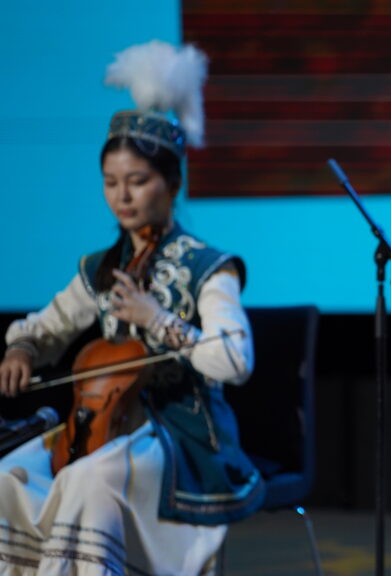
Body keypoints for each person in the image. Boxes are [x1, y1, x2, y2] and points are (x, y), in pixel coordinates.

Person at [0, 40, 263, 575]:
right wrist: (23, 348)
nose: (123, 196)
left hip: (183, 434)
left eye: (138, 182)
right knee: (9, 476)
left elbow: (234, 360)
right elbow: (46, 327)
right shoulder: (101, 266)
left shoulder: (209, 266)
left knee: (88, 479)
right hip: (101, 427)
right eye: (111, 183)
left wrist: (159, 321)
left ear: (173, 184)